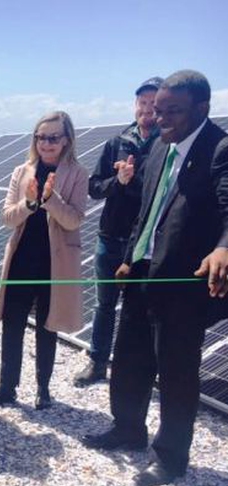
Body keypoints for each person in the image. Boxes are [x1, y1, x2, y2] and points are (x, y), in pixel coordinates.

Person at [82, 70, 228, 486]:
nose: (160, 119)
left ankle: (170, 457)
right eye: (158, 110)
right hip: (142, 272)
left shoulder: (220, 149)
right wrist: (130, 258)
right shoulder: (159, 148)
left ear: (202, 108)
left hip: (183, 281)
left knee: (176, 370)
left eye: (172, 111)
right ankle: (128, 428)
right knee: (130, 356)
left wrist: (223, 248)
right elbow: (146, 212)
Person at [0, 111, 88, 410]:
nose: (45, 143)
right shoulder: (21, 171)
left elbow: (74, 220)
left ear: (66, 140)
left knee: (47, 327)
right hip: (22, 259)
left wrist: (50, 199)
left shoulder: (78, 174)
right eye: (40, 137)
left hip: (55, 264)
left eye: (53, 137)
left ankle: (43, 389)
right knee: (12, 325)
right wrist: (29, 203)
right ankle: (7, 387)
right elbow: (7, 218)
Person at [74, 77, 163, 387]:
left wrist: (133, 181)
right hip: (110, 237)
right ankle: (98, 362)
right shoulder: (117, 142)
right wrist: (119, 181)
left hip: (147, 242)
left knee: (144, 309)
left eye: (153, 104)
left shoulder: (168, 145)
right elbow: (95, 187)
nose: (147, 110)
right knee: (104, 304)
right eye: (142, 103)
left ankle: (141, 369)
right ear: (135, 105)